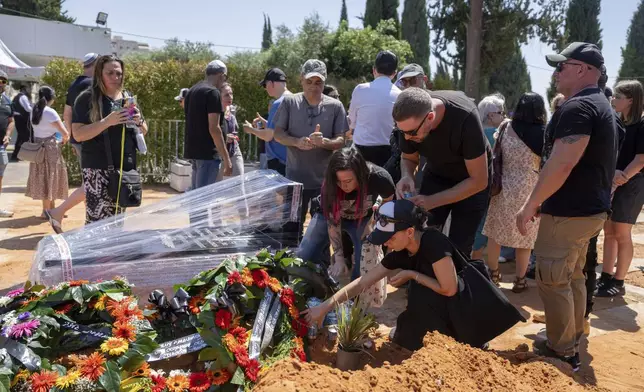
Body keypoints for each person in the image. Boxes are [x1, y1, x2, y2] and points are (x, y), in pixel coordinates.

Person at [516, 42, 618, 370]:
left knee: (552, 279)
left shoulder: (579, 108)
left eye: (562, 66)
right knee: (572, 276)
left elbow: (562, 164)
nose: (556, 72)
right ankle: (570, 337)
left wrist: (531, 203)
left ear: (584, 70)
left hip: (569, 212)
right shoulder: (600, 105)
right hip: (588, 211)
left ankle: (561, 351)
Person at [303, 199, 461, 351]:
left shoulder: (434, 243)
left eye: (389, 238)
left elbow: (449, 289)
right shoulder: (401, 252)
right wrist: (323, 308)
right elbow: (361, 283)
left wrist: (412, 274)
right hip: (431, 304)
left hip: (461, 305)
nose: (385, 243)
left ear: (410, 232)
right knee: (404, 338)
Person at [394, 87, 491, 256]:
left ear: (430, 117)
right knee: (421, 237)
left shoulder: (465, 117)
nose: (407, 138)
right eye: (402, 132)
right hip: (437, 174)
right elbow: (408, 157)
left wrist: (432, 201)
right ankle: (421, 279)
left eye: (411, 133)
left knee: (459, 247)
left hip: (471, 183)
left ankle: (455, 280)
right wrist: (407, 176)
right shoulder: (410, 120)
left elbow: (479, 181)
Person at [273, 59, 348, 239]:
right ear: (301, 80)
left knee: (322, 231)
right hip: (295, 179)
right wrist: (296, 141)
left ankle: (320, 265)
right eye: (309, 82)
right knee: (291, 230)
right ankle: (290, 265)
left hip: (324, 182)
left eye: (318, 82)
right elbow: (277, 134)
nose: (314, 87)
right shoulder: (290, 102)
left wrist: (324, 142)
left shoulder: (335, 106)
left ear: (325, 82)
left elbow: (341, 140)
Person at [298, 147, 395, 280]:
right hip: (329, 217)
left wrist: (374, 221)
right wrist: (339, 258)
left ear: (360, 175)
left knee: (365, 264)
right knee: (305, 256)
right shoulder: (330, 186)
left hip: (364, 219)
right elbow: (333, 223)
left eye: (348, 181)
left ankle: (355, 297)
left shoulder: (379, 177)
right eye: (339, 181)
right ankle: (317, 286)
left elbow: (388, 202)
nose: (344, 186)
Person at [72, 55, 148, 224]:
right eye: (110, 73)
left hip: (125, 169)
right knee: (97, 223)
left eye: (119, 73)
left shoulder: (127, 98)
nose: (116, 77)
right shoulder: (87, 98)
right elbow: (77, 134)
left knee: (117, 221)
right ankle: (93, 251)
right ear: (100, 74)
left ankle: (112, 252)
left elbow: (144, 129)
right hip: (97, 169)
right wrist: (107, 122)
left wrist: (139, 122)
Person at [483, 93, 547, 292]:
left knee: (495, 234)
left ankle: (493, 274)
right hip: (529, 189)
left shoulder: (505, 127)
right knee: (525, 238)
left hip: (502, 187)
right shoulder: (544, 132)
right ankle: (520, 280)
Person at [596, 80, 644, 297]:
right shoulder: (617, 122)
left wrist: (622, 176)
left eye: (617, 97)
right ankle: (605, 277)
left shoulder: (642, 125)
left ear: (631, 100)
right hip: (613, 181)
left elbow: (641, 159)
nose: (612, 100)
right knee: (608, 232)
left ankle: (619, 281)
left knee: (622, 233)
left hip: (632, 183)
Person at [44, 53, 98, 233]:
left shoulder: (75, 84)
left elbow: (67, 113)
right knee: (92, 183)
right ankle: (58, 212)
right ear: (96, 65)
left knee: (90, 182)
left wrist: (74, 138)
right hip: (90, 140)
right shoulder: (92, 84)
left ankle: (90, 220)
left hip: (80, 139)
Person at [184, 59, 232, 189]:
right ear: (221, 75)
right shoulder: (213, 92)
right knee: (203, 201)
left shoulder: (192, 91)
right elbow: (214, 128)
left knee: (196, 198)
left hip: (194, 152)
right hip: (208, 154)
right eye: (225, 77)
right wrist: (227, 160)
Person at [348, 50, 401, 167]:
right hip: (388, 153)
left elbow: (352, 122)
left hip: (361, 152)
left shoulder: (360, 89)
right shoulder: (400, 95)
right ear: (394, 73)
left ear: (374, 70)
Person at [471, 94, 506, 261]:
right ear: (491, 115)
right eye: (501, 112)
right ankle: (476, 260)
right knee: (485, 224)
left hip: (472, 185)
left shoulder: (475, 132)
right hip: (490, 187)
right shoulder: (496, 135)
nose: (504, 116)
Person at [25, 86, 69, 217]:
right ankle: (47, 211)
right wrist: (64, 139)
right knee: (52, 176)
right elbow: (64, 133)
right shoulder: (50, 112)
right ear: (52, 98)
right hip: (50, 147)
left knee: (43, 176)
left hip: (38, 147)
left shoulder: (34, 110)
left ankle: (49, 209)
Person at [243, 68, 290, 176]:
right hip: (292, 160)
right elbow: (282, 128)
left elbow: (268, 136)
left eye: (265, 85)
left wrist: (251, 129)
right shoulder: (296, 99)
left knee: (280, 193)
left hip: (278, 162)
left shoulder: (277, 103)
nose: (265, 89)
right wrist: (266, 123)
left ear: (271, 83)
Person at [216, 83, 244, 181]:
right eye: (226, 95)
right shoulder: (214, 113)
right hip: (219, 153)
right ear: (219, 97)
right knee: (215, 187)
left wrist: (235, 137)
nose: (230, 97)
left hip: (234, 150)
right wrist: (225, 138)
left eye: (231, 94)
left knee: (239, 183)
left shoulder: (230, 111)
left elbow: (234, 131)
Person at [0, 71, 15, 217]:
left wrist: (8, 135)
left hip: (1, 146)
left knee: (0, 176)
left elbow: (11, 121)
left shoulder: (7, 101)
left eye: (3, 81)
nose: (0, 83)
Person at [10, 83, 32, 161]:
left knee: (21, 137)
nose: (29, 91)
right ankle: (18, 155)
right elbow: (28, 109)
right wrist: (35, 108)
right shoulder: (23, 97)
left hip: (18, 118)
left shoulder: (17, 97)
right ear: (24, 89)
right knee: (24, 137)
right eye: (28, 89)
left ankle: (16, 154)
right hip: (22, 119)